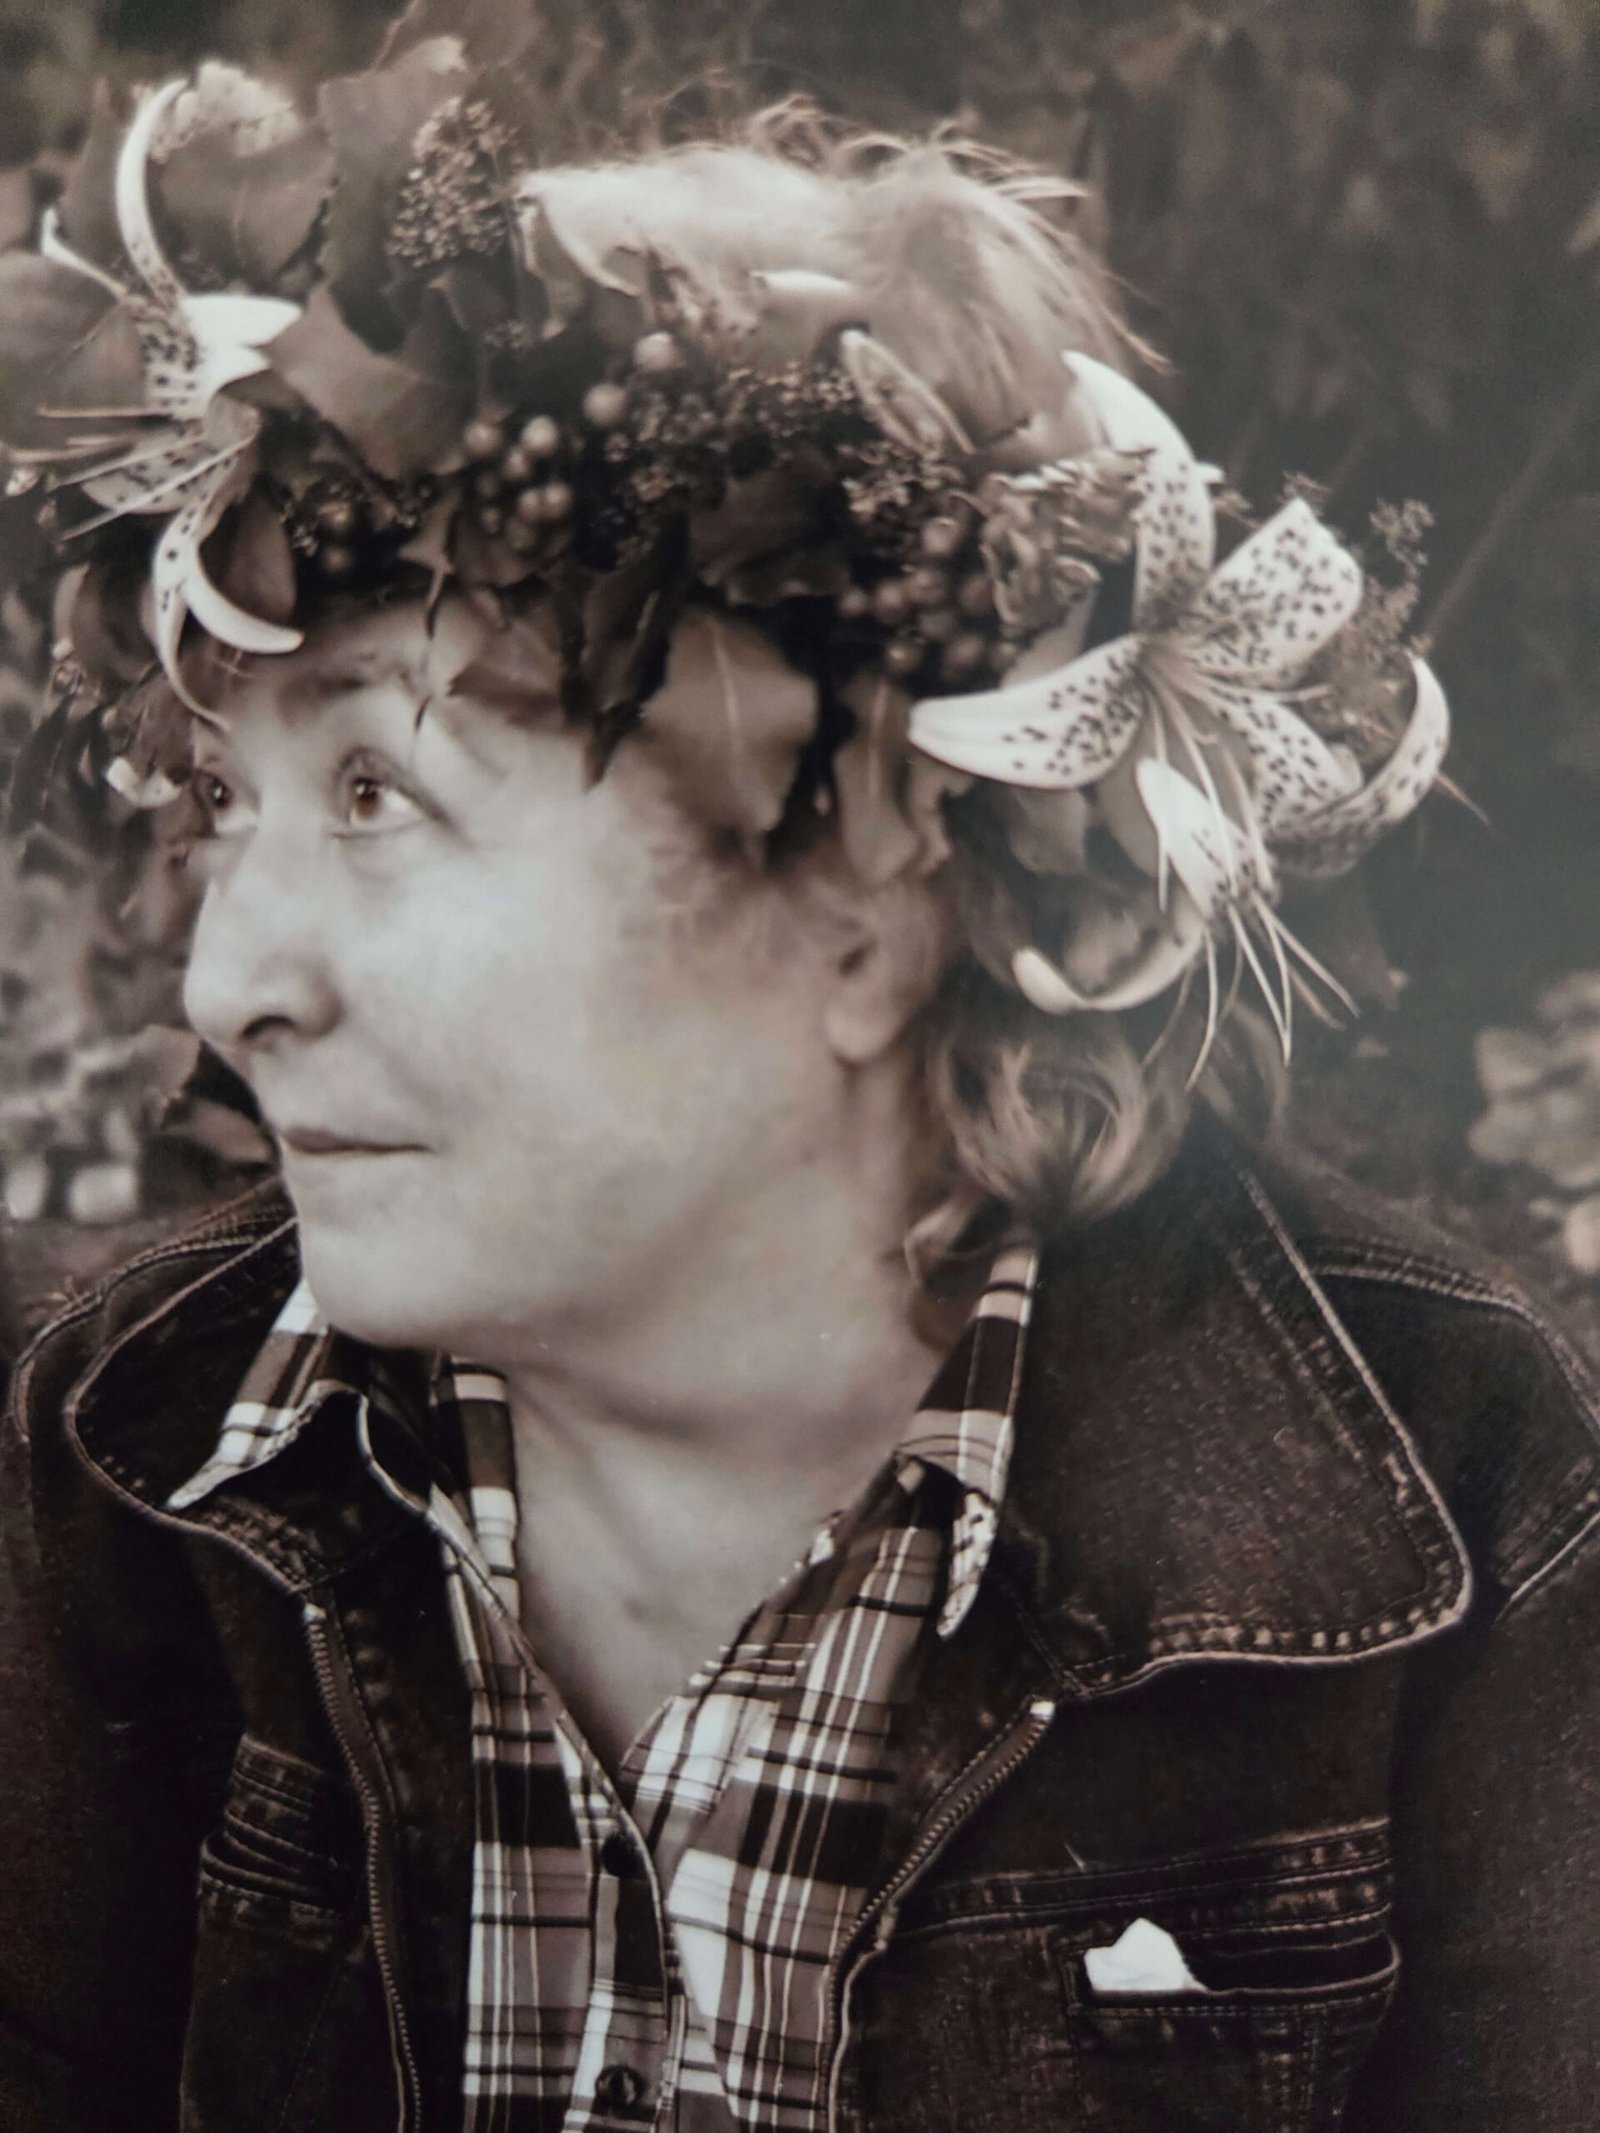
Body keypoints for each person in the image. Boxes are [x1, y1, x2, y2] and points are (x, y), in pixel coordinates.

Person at [0, 30, 1597, 2133]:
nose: (228, 983)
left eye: (380, 792)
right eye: (226, 798)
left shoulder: (1451, 1510)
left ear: (872, 899)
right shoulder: (126, 1461)